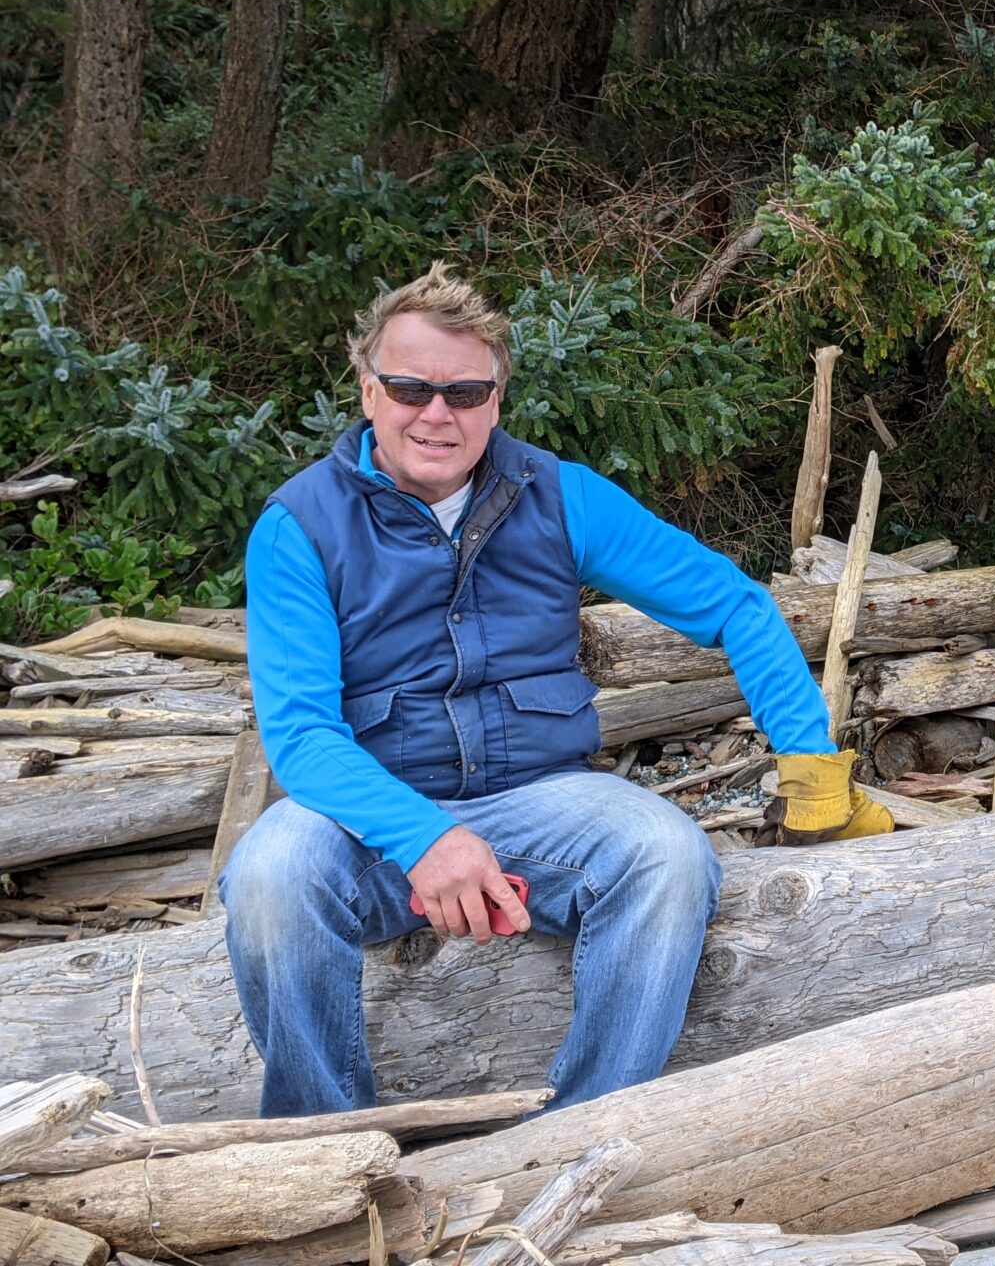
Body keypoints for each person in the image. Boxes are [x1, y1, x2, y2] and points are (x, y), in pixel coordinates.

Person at [223, 262, 891, 1117]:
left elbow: (733, 604)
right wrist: (428, 839)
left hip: (543, 805)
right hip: (367, 827)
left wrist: (807, 762)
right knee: (273, 872)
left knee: (668, 855)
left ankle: (582, 1136)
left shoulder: (560, 496)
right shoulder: (298, 528)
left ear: (497, 400)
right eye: (410, 387)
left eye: (466, 393)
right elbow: (304, 736)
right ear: (367, 391)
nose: (437, 413)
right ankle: (324, 1148)